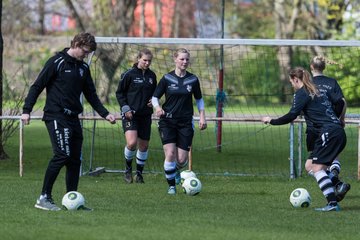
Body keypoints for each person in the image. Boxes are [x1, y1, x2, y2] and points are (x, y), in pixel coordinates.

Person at [21, 32, 116, 211]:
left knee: (74, 160)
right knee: (62, 155)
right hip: (56, 116)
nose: (86, 55)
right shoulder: (56, 62)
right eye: (85, 51)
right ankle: (43, 198)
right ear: (77, 44)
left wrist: (105, 114)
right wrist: (26, 110)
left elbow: (91, 95)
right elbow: (37, 86)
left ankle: (72, 200)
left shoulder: (83, 68)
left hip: (73, 118)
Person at [262, 67, 346, 212]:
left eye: (291, 82)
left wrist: (271, 120)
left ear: (296, 79)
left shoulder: (301, 93)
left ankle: (332, 203)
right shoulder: (316, 91)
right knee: (309, 166)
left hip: (329, 133)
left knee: (317, 168)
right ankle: (337, 183)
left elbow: (291, 115)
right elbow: (340, 103)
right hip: (335, 131)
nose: (292, 85)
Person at [151, 48, 207, 195]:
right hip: (167, 121)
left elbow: (199, 99)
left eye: (187, 59)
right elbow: (155, 97)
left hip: (185, 122)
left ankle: (173, 170)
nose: (185, 62)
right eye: (182, 59)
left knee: (181, 160)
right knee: (170, 153)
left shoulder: (193, 79)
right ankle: (171, 187)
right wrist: (157, 108)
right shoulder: (167, 78)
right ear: (175, 59)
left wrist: (202, 116)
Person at [308, 56, 350, 201]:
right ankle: (335, 180)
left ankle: (333, 188)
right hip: (332, 125)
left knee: (313, 166)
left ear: (311, 67)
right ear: (323, 67)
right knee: (329, 157)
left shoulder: (308, 83)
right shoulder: (332, 82)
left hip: (316, 127)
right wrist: (341, 119)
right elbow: (342, 102)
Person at [116, 48, 157, 184]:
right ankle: (128, 170)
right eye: (144, 60)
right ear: (138, 58)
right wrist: (125, 108)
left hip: (145, 115)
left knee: (144, 146)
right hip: (130, 115)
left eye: (149, 61)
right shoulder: (128, 74)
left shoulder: (152, 76)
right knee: (132, 143)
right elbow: (120, 93)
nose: (147, 63)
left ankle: (139, 174)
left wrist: (153, 101)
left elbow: (155, 94)